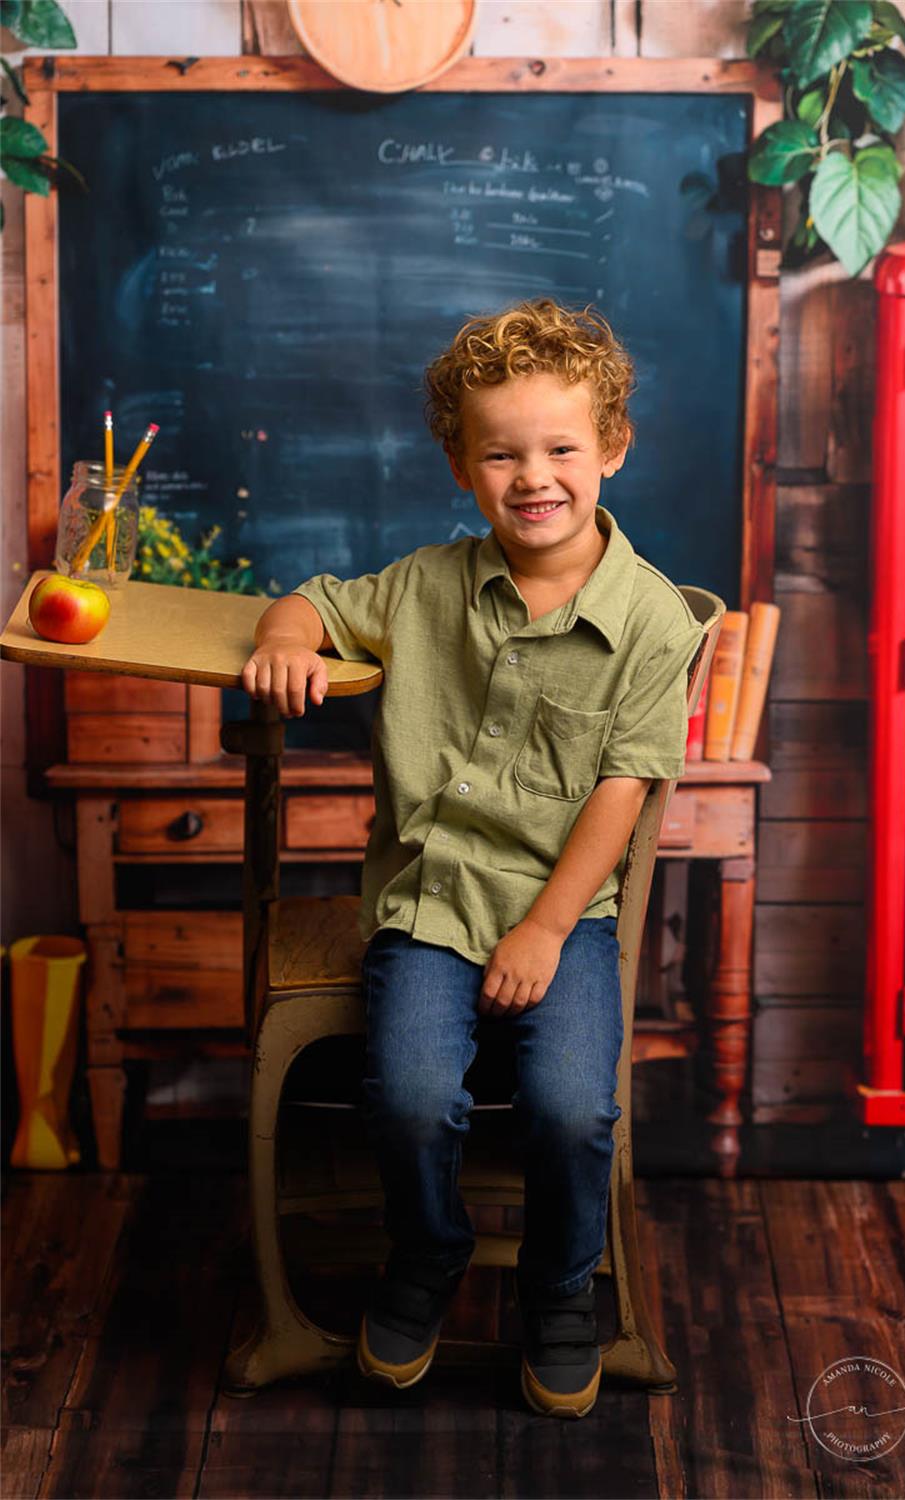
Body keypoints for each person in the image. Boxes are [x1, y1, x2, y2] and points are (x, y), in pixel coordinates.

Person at [241, 298, 702, 1419]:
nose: (532, 476)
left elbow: (622, 790)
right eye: (501, 452)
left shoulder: (649, 621)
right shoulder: (425, 586)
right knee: (402, 1094)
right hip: (426, 910)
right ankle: (428, 1254)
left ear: (612, 452)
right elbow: (307, 603)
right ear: (460, 463)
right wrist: (284, 644)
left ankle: (556, 1291)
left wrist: (546, 929)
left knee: (564, 1106)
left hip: (565, 914)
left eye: (560, 450)